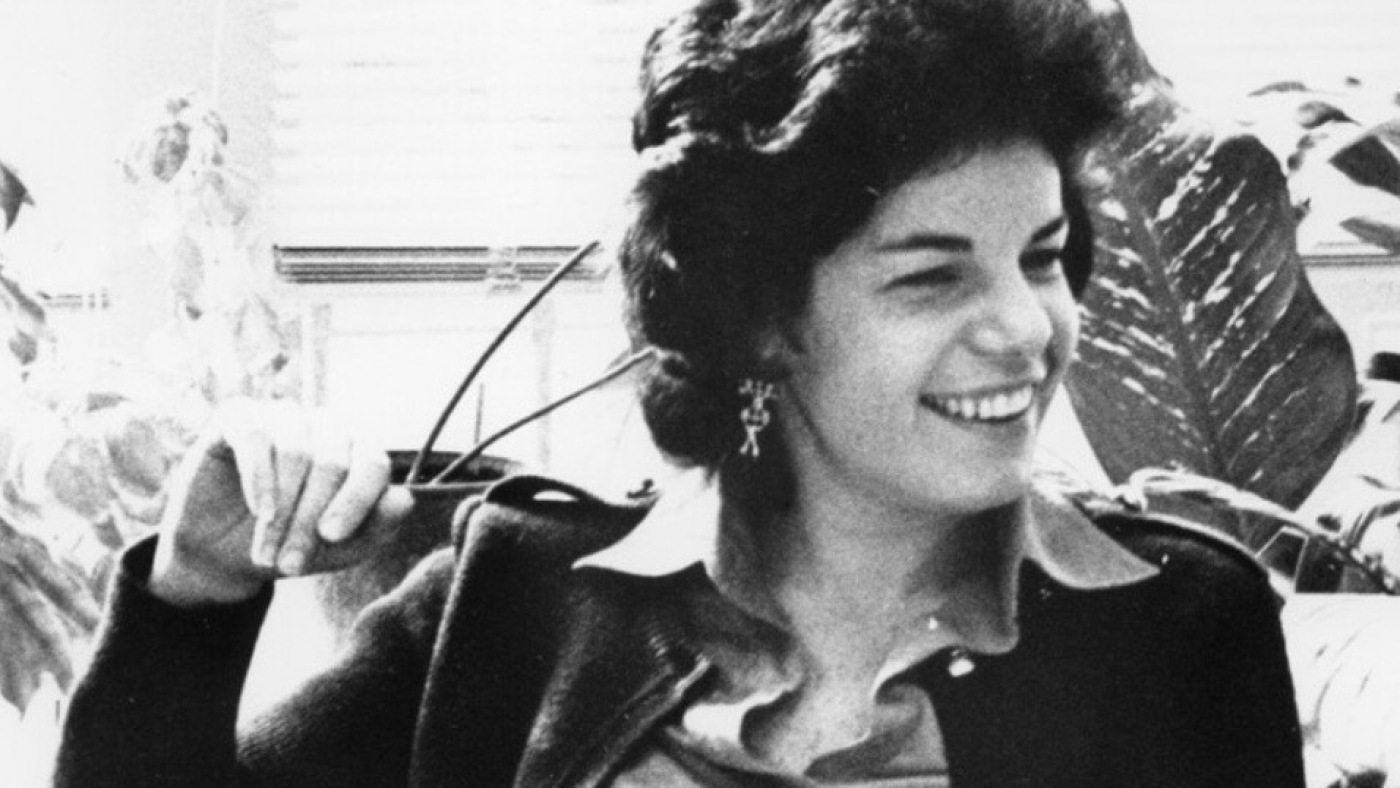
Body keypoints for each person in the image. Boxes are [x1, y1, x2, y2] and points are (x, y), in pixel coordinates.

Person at [55, 0, 1306, 785]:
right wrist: (194, 591)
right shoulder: (509, 599)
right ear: (754, 315)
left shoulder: (1182, 629)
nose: (1027, 327)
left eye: (1040, 257)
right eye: (931, 276)